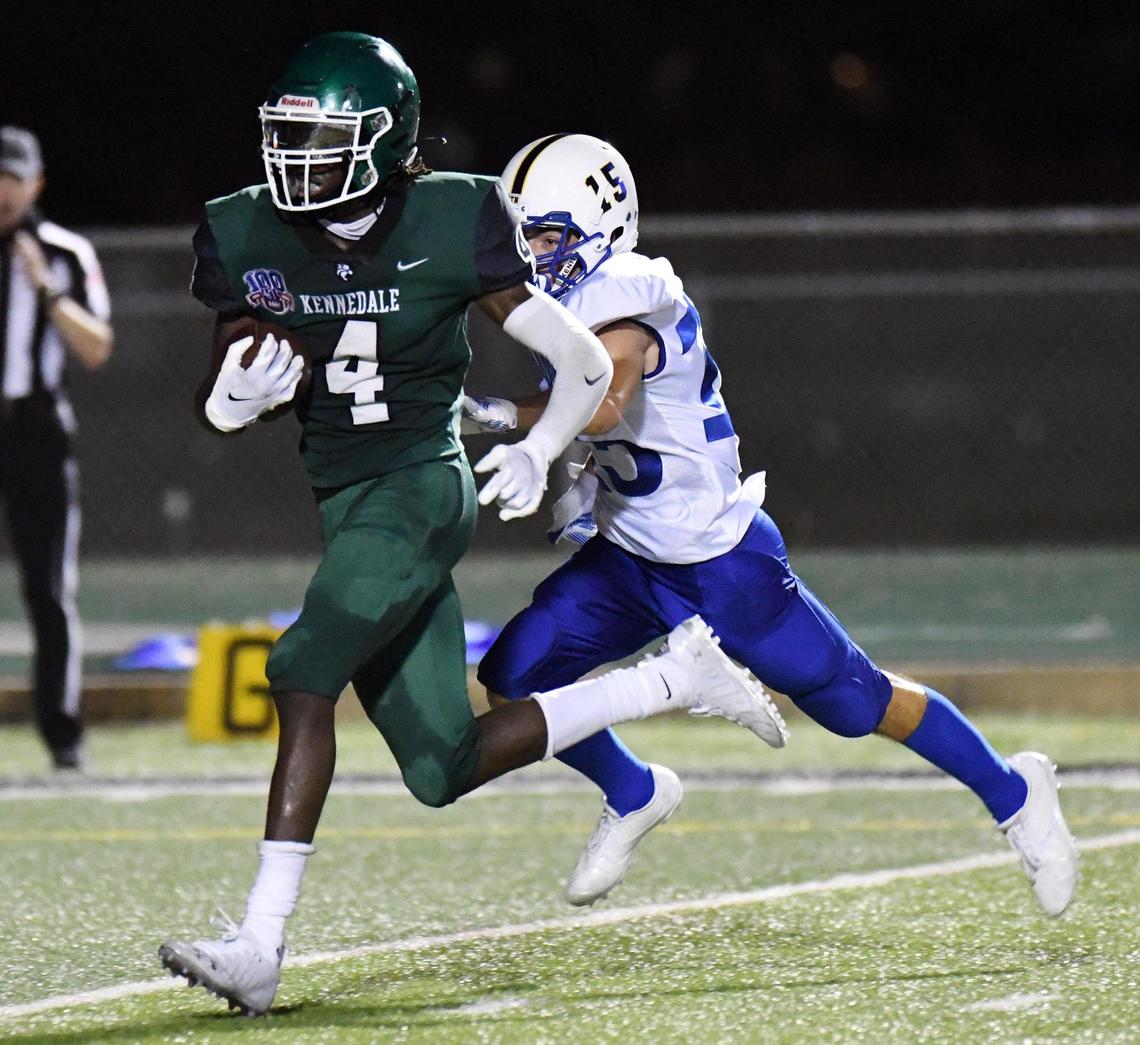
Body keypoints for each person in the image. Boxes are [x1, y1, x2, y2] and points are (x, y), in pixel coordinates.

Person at [157, 34, 787, 1017]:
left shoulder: (452, 217)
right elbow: (227, 383)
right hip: (349, 504)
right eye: (290, 136)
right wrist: (231, 401)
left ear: (383, 140)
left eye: (324, 137)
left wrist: (539, 453)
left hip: (420, 487)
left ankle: (259, 945)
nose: (297, 158)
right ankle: (673, 677)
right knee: (442, 764)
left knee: (299, 670)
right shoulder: (249, 233)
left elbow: (582, 363)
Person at [466, 132, 1079, 915]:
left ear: (601, 227)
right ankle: (635, 789)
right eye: (526, 237)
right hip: (628, 558)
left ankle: (1014, 791)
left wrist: (534, 439)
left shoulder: (632, 292)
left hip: (723, 564)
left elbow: (606, 398)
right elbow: (587, 408)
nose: (535, 254)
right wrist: (500, 415)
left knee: (858, 703)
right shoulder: (565, 302)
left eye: (549, 236)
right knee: (515, 675)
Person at [0, 126, 113, 771]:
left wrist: (45, 289)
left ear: (36, 184)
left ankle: (64, 739)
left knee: (48, 588)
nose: (5, 190)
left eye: (15, 177)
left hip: (34, 428)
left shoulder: (63, 252)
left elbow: (97, 347)